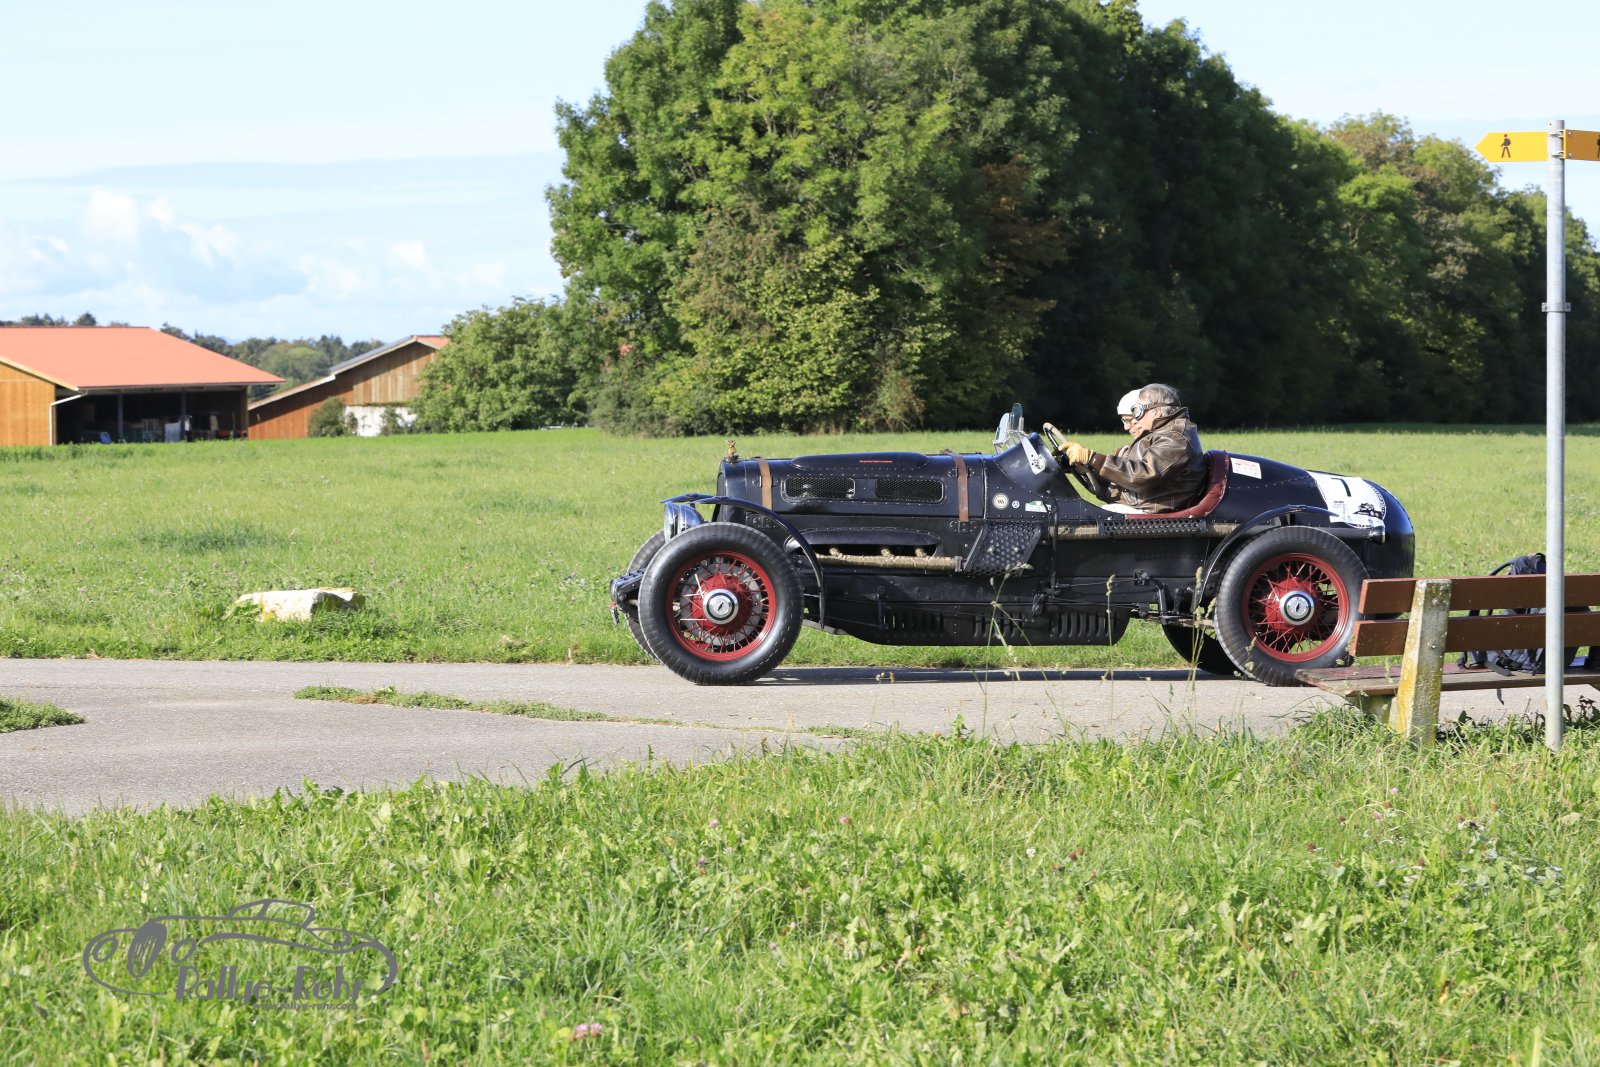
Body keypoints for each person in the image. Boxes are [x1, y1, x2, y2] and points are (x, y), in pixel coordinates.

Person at [1057, 383, 1206, 514]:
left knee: (1078, 520)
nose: (1136, 419)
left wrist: (1093, 459)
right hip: (1141, 506)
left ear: (1157, 411)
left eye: (1137, 411)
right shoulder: (1163, 434)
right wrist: (1085, 466)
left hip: (1151, 514)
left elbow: (1144, 475)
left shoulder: (1176, 438)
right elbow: (1129, 474)